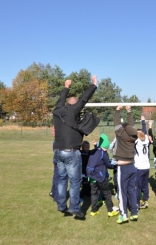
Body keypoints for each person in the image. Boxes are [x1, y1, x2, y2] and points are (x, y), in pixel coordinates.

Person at [52, 75, 97, 218]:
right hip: (71, 152)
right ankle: (75, 208)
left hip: (58, 151)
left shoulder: (57, 111)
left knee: (62, 179)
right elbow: (84, 99)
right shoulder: (73, 111)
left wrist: (66, 86)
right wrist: (93, 85)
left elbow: (60, 100)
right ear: (74, 106)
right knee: (75, 181)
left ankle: (61, 205)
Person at [113, 105, 139, 224]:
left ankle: (124, 215)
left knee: (122, 192)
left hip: (123, 167)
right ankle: (134, 212)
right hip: (132, 166)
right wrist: (129, 111)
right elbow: (131, 126)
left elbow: (117, 125)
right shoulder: (133, 136)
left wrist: (117, 110)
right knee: (131, 190)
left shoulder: (122, 135)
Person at [86, 133, 119, 217]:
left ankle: (93, 211)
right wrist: (116, 165)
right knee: (107, 193)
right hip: (100, 177)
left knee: (94, 193)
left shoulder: (95, 151)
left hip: (91, 177)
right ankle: (110, 211)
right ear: (107, 145)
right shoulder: (103, 153)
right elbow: (108, 165)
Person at [134, 116, 150, 209]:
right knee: (145, 184)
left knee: (138, 185)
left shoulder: (137, 142)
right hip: (146, 166)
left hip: (139, 167)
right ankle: (145, 199)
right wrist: (143, 121)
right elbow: (145, 131)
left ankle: (136, 202)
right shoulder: (147, 140)